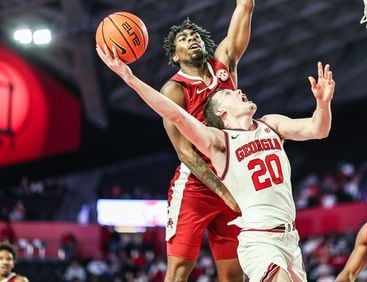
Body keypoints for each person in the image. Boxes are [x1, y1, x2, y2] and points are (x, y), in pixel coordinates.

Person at [96, 42, 334, 281]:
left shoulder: (272, 124)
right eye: (229, 93)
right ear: (221, 113)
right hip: (260, 241)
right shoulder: (219, 142)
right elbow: (174, 114)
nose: (238, 90)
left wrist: (323, 105)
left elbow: (317, 129)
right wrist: (129, 77)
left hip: (291, 239)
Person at [159, 1, 254, 281]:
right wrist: (223, 192)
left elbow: (245, 7)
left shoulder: (224, 64)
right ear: (175, 55)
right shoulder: (174, 89)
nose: (191, 40)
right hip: (195, 188)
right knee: (178, 271)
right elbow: (185, 152)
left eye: (195, 36)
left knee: (234, 275)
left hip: (232, 178)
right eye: (183, 39)